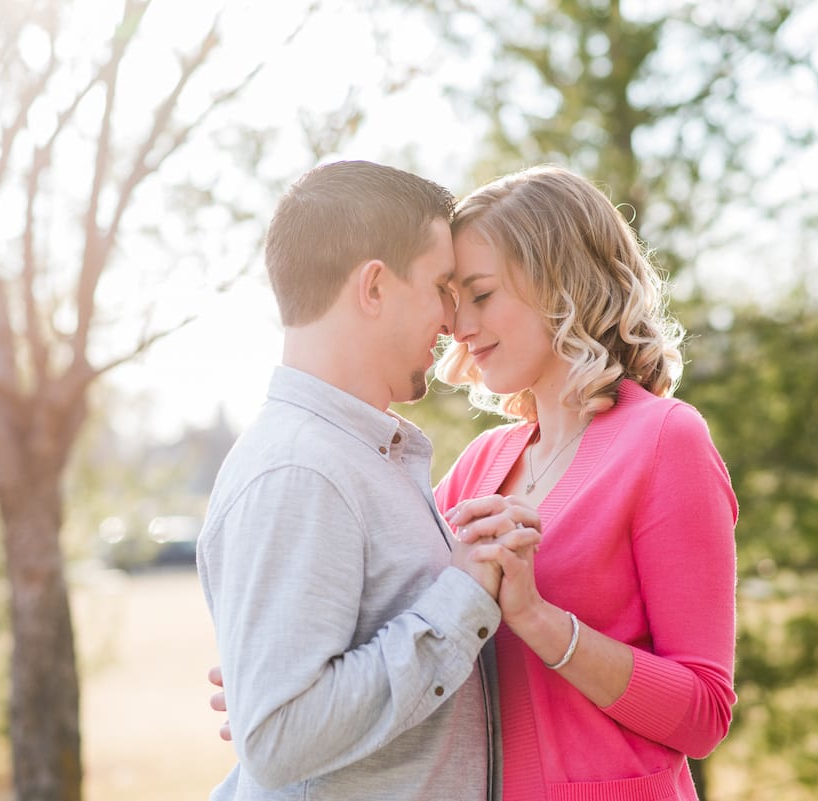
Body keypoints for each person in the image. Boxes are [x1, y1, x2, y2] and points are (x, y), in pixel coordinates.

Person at [196, 160, 540, 801]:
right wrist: (463, 596)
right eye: (441, 285)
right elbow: (277, 739)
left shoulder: (362, 457)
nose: (451, 319)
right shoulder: (301, 471)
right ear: (374, 287)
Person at [436, 164, 738, 800]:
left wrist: (539, 620)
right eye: (453, 301)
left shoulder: (665, 441)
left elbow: (703, 714)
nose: (461, 326)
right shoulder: (479, 464)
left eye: (482, 295)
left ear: (561, 286)